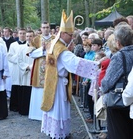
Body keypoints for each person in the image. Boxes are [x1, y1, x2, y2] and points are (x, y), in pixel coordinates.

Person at [40, 10, 99, 139]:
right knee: (59, 109)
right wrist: (97, 66)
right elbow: (75, 64)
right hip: (59, 83)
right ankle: (59, 133)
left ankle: (54, 131)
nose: (72, 37)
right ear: (62, 33)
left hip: (52, 80)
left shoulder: (53, 43)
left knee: (55, 108)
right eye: (70, 35)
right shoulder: (61, 49)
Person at [101, 24, 133, 139]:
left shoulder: (119, 56)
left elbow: (108, 81)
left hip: (119, 102)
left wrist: (102, 90)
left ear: (118, 42)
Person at [27, 21, 55, 121]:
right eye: (43, 27)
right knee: (38, 91)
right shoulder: (36, 39)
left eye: (47, 27)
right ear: (41, 28)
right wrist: (42, 50)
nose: (45, 29)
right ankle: (37, 115)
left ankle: (49, 114)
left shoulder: (55, 39)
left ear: (50, 28)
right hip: (39, 69)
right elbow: (30, 54)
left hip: (51, 68)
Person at [8, 28, 26, 112]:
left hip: (25, 69)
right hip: (16, 68)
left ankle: (24, 106)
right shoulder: (13, 45)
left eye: (23, 33)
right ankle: (15, 106)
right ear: (18, 35)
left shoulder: (29, 45)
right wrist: (18, 57)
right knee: (16, 85)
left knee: (24, 86)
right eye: (21, 33)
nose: (22, 35)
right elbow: (10, 57)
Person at [17, 30, 34, 115]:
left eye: (30, 36)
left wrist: (34, 67)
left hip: (34, 73)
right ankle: (24, 110)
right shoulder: (21, 48)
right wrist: (27, 66)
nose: (29, 38)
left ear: (33, 37)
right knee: (25, 92)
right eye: (27, 36)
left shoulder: (37, 48)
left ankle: (33, 111)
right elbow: (19, 60)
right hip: (26, 72)